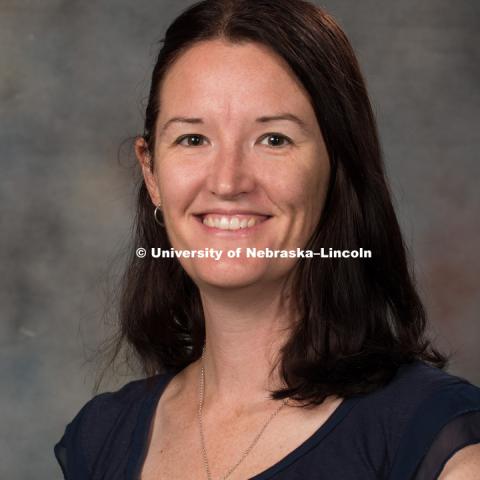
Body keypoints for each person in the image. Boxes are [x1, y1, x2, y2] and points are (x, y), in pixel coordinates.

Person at [54, 0, 480, 478]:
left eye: (273, 139)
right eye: (193, 139)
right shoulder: (99, 438)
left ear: (339, 166)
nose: (228, 182)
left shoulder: (438, 439)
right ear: (151, 171)